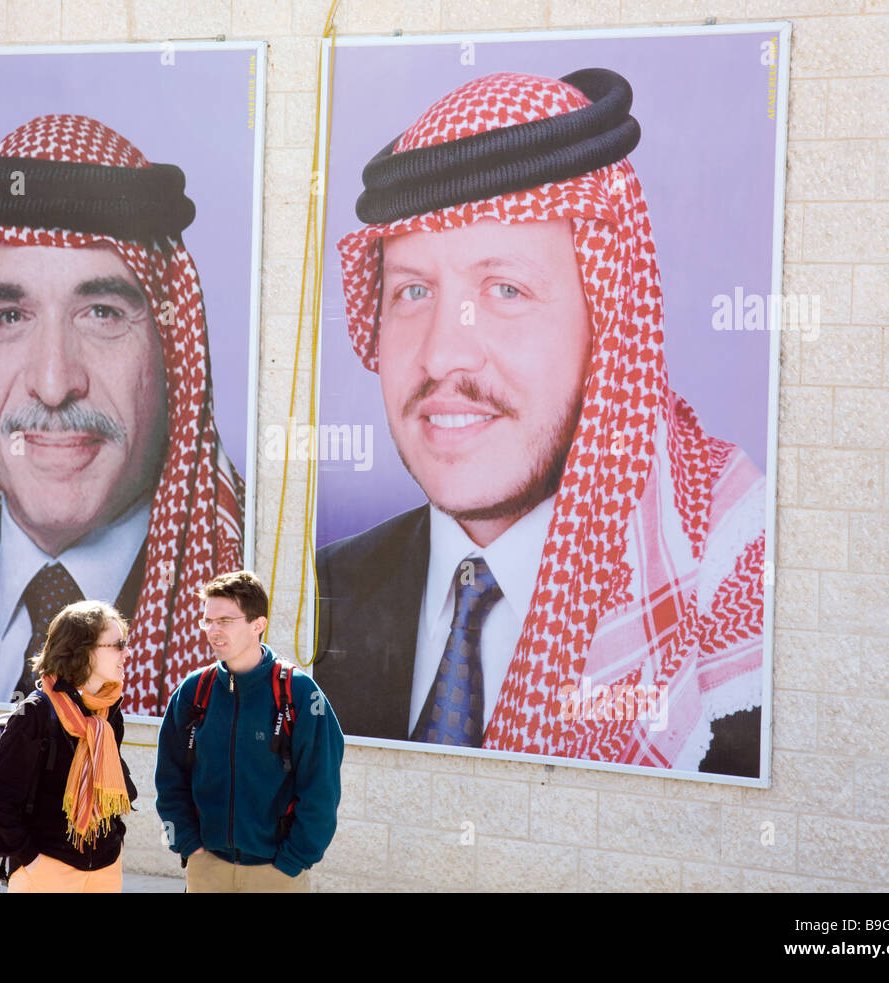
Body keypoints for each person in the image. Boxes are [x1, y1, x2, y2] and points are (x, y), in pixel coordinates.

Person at [315, 70, 766, 777]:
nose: (442, 352)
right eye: (412, 290)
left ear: (608, 317)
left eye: (505, 289)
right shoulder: (315, 597)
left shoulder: (735, 602)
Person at [0, 114, 245, 713]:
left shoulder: (241, 630)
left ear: (173, 349)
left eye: (103, 313)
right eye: (9, 316)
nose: (55, 383)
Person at [155, 571, 344, 892]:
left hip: (277, 872)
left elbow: (322, 789)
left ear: (258, 624)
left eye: (225, 621)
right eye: (207, 621)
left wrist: (293, 860)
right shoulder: (193, 691)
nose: (213, 631)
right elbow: (169, 780)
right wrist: (187, 845)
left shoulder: (299, 693)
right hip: (207, 868)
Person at [0, 599, 138, 893]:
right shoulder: (35, 713)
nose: (127, 653)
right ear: (83, 651)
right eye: (118, 645)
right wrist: (31, 859)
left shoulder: (108, 712)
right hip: (47, 871)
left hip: (105, 868)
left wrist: (117, 839)